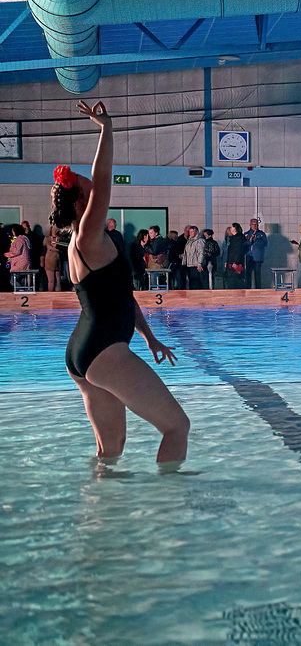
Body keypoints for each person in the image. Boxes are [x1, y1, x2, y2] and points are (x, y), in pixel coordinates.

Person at [50, 101, 189, 463]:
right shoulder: (87, 236)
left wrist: (150, 338)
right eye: (86, 186)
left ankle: (101, 501)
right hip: (103, 350)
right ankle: (170, 498)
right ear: (81, 199)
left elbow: (121, 297)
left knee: (109, 452)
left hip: (83, 350)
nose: (92, 186)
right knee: (177, 426)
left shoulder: (79, 242)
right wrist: (106, 129)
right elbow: (103, 181)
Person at [244, 218, 268, 289]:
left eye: (256, 224)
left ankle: (258, 289)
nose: (255, 226)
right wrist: (250, 241)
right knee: (248, 274)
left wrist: (257, 240)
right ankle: (248, 289)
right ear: (250, 225)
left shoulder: (261, 234)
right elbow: (244, 244)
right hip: (249, 256)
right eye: (253, 224)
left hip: (257, 257)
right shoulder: (246, 234)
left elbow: (265, 243)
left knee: (257, 274)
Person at [224, 222, 247, 289]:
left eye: (232, 227)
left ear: (235, 229)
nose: (230, 228)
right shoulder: (234, 238)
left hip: (234, 263)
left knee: (234, 281)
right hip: (231, 261)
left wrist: (235, 262)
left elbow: (238, 251)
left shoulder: (238, 238)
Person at [181, 225, 206, 290]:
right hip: (189, 264)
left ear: (196, 232)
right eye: (190, 232)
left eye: (192, 232)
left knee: (196, 283)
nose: (191, 233)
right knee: (191, 282)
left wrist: (199, 263)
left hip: (196, 265)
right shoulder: (189, 241)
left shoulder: (199, 241)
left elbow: (201, 252)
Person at [44, 224, 63, 291]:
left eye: (56, 229)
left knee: (58, 280)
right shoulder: (47, 238)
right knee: (51, 280)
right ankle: (50, 294)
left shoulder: (60, 238)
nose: (55, 230)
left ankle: (59, 294)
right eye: (54, 229)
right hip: (50, 260)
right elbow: (49, 247)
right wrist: (58, 249)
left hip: (58, 260)